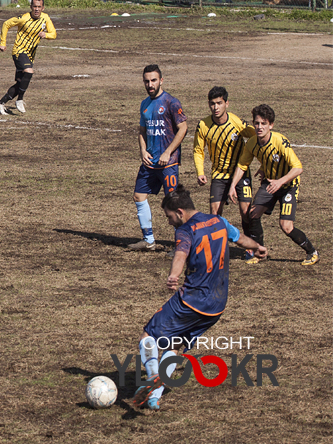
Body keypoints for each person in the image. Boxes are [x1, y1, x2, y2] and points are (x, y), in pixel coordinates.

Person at [131, 186, 266, 411]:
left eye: (169, 216)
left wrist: (174, 275)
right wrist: (258, 246)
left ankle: (153, 377)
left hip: (191, 301)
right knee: (174, 344)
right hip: (216, 306)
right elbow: (241, 240)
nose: (169, 221)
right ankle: (155, 396)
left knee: (148, 336)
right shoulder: (218, 221)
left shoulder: (185, 230)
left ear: (180, 212)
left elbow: (181, 253)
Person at [227, 104, 318, 266]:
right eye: (257, 123)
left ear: (271, 125)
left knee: (286, 226)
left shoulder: (280, 141)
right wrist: (233, 185)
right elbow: (242, 165)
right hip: (270, 183)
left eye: (263, 123)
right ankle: (260, 252)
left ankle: (312, 252)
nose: (259, 127)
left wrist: (280, 181)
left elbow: (298, 168)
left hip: (288, 185)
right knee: (252, 214)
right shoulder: (252, 143)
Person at [129, 65, 187, 252]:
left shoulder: (171, 102)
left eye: (153, 80)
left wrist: (168, 152)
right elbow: (142, 131)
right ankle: (149, 240)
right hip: (150, 161)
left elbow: (183, 128)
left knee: (173, 203)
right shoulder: (144, 104)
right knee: (139, 196)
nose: (150, 84)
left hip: (168, 163)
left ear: (161, 80)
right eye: (147, 81)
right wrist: (143, 151)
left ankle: (181, 245)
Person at [192, 86, 253, 225]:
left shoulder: (236, 122)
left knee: (246, 212)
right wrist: (200, 172)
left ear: (227, 103)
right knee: (214, 214)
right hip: (219, 174)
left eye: (219, 103)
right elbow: (198, 151)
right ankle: (218, 243)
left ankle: (254, 245)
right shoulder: (203, 125)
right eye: (212, 104)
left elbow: (257, 137)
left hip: (240, 173)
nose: (215, 107)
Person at [0, 0, 56, 116]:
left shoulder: (45, 18)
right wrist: (2, 43)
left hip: (30, 55)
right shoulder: (24, 18)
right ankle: (20, 100)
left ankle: (0, 103)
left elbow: (53, 34)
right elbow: (6, 24)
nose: (36, 9)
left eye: (39, 7)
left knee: (21, 82)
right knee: (29, 72)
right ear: (31, 6)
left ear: (43, 8)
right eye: (34, 6)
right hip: (19, 51)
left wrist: (45, 35)